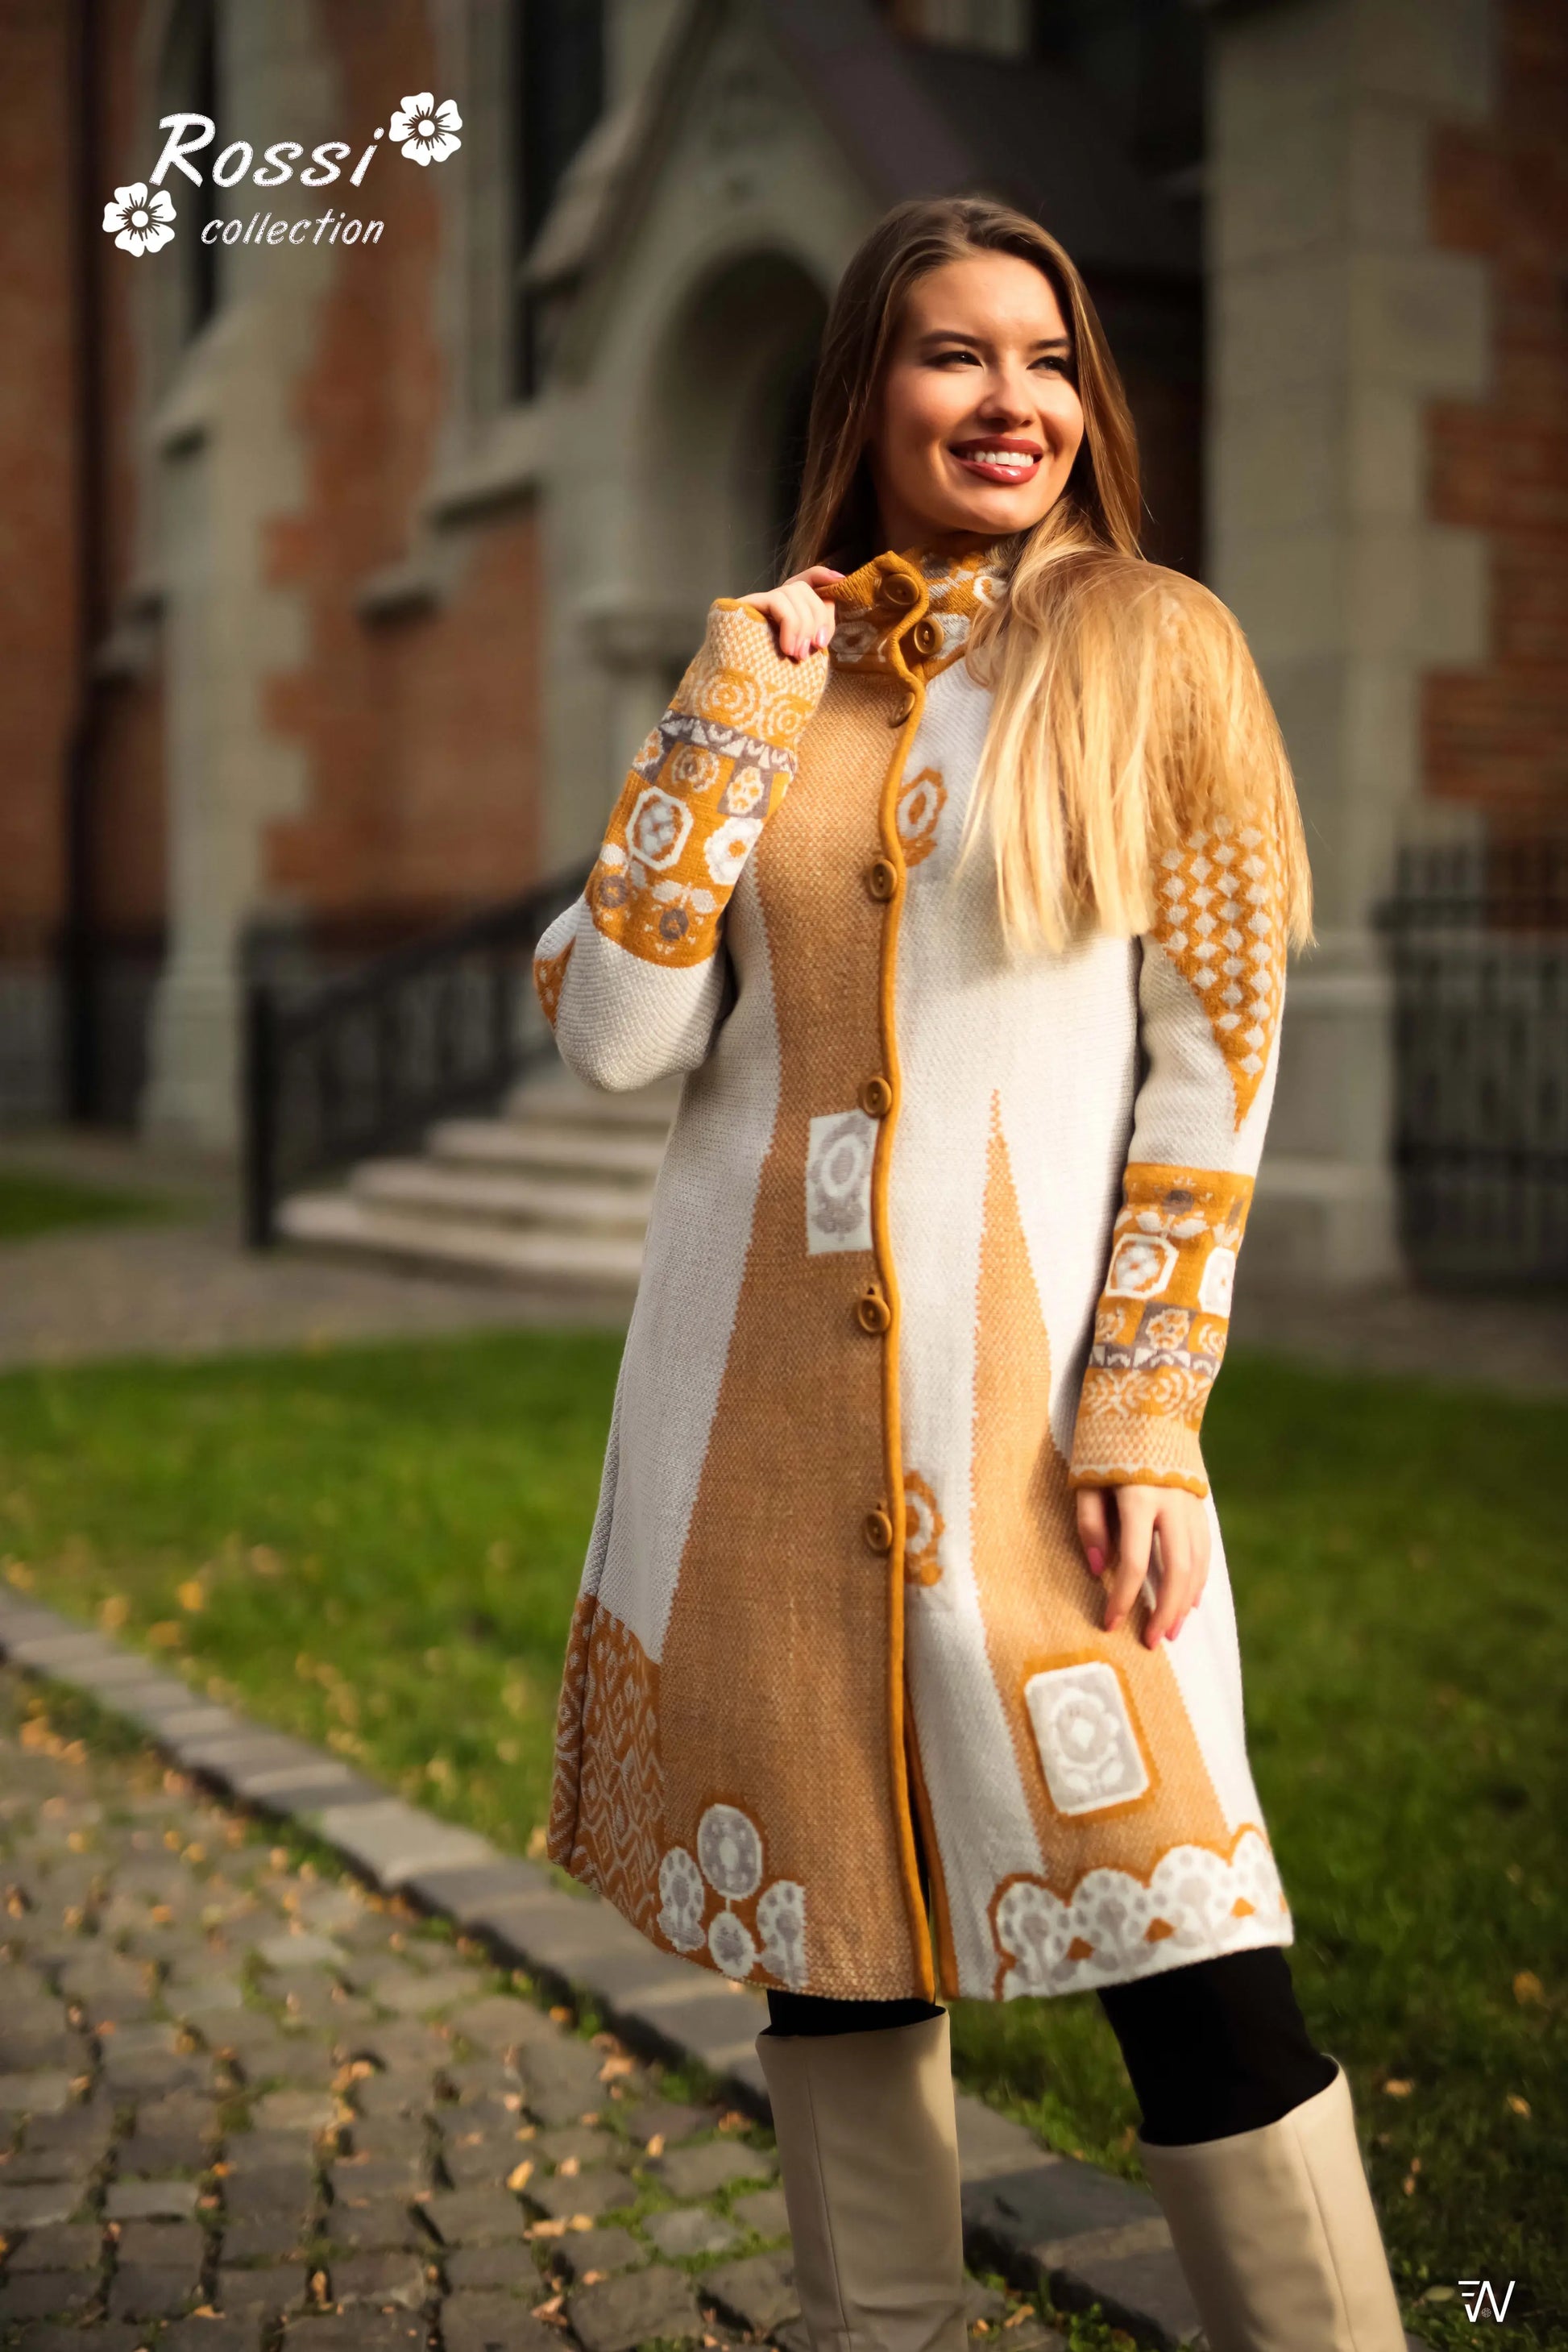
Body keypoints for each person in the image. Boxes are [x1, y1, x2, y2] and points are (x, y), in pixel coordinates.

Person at [531, 196, 1406, 2352]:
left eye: (1045, 358)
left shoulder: (1159, 647)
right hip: (747, 1440)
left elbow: (1215, 1073)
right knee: (829, 1960)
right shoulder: (764, 666)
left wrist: (1143, 1411)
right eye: (951, 353)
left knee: (1193, 1948)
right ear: (866, 395)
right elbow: (612, 1038)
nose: (1008, 399)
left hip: (1022, 1447)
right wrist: (726, 712)